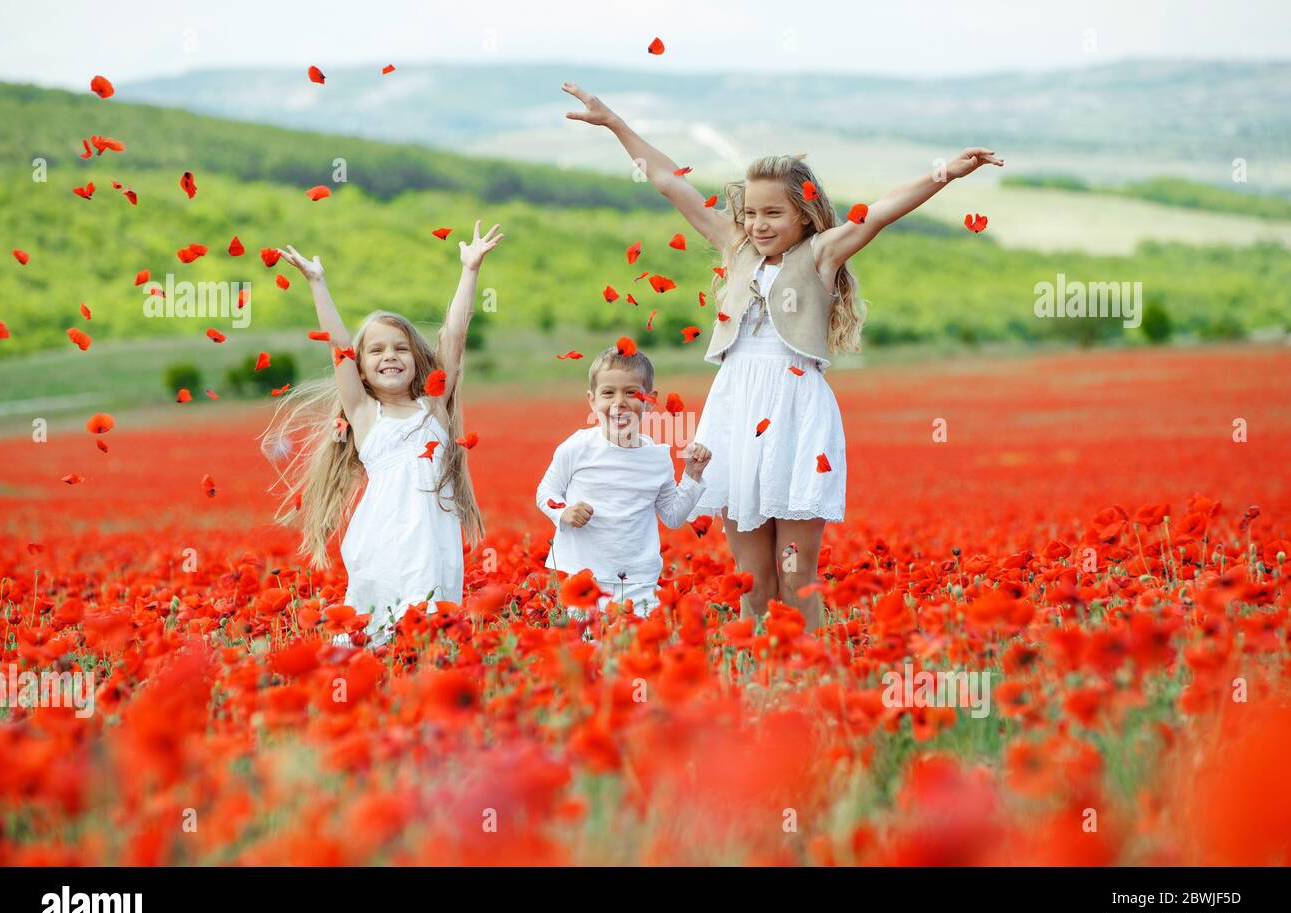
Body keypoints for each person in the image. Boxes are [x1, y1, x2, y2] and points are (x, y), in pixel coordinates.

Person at [563, 80, 1003, 631]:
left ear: (803, 213)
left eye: (773, 213)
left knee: (796, 575)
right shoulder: (735, 248)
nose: (759, 224)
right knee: (752, 576)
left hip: (795, 414)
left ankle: (811, 671)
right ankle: (761, 679)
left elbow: (882, 213)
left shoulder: (821, 254)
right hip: (733, 414)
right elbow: (669, 184)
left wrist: (945, 173)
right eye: (750, 213)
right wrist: (615, 124)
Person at [260, 221, 503, 645]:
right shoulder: (364, 413)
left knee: (429, 634)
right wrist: (317, 283)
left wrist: (470, 270)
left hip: (433, 542)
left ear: (416, 358)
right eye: (376, 350)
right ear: (362, 369)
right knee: (377, 635)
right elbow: (338, 346)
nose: (389, 356)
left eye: (400, 347)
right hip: (383, 542)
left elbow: (456, 334)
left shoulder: (434, 405)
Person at [535, 343, 711, 620]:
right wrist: (562, 512)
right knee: (590, 653)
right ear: (592, 401)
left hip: (640, 579)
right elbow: (546, 491)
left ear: (649, 400)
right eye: (608, 393)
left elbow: (673, 517)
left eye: (631, 393)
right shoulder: (577, 447)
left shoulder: (657, 458)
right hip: (586, 578)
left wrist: (693, 474)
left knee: (637, 653)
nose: (619, 403)